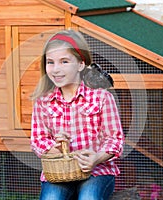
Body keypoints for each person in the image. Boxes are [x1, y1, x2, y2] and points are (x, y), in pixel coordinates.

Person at [30, 29, 124, 200]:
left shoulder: (101, 97)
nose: (56, 69)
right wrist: (55, 148)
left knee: (89, 197)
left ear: (81, 64)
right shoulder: (43, 101)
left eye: (64, 61)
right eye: (50, 62)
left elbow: (114, 139)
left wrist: (96, 158)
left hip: (98, 172)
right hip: (59, 173)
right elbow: (38, 140)